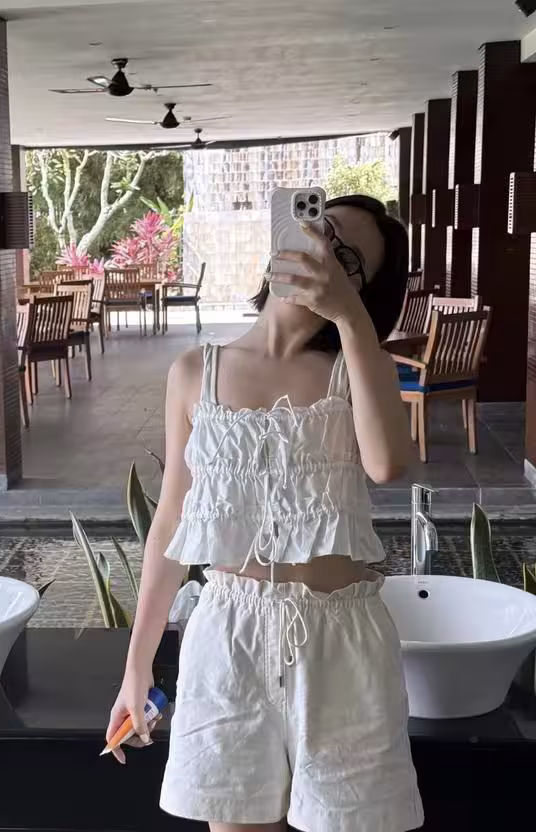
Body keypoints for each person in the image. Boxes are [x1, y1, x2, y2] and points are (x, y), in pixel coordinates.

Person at [106, 194, 424, 832]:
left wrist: (351, 319)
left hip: (342, 645)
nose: (324, 252)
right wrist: (136, 666)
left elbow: (388, 464)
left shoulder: (359, 372)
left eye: (348, 260)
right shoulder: (193, 371)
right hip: (227, 640)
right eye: (321, 230)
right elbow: (171, 522)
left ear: (364, 290)